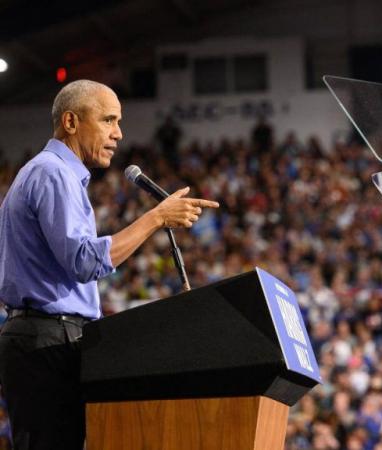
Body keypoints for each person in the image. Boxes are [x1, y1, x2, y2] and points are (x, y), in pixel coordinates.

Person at [0, 80, 219, 450]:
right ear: (70, 122)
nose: (118, 134)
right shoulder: (53, 173)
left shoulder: (52, 173)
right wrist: (156, 218)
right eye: (108, 120)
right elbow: (84, 261)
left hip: (46, 338)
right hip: (47, 341)